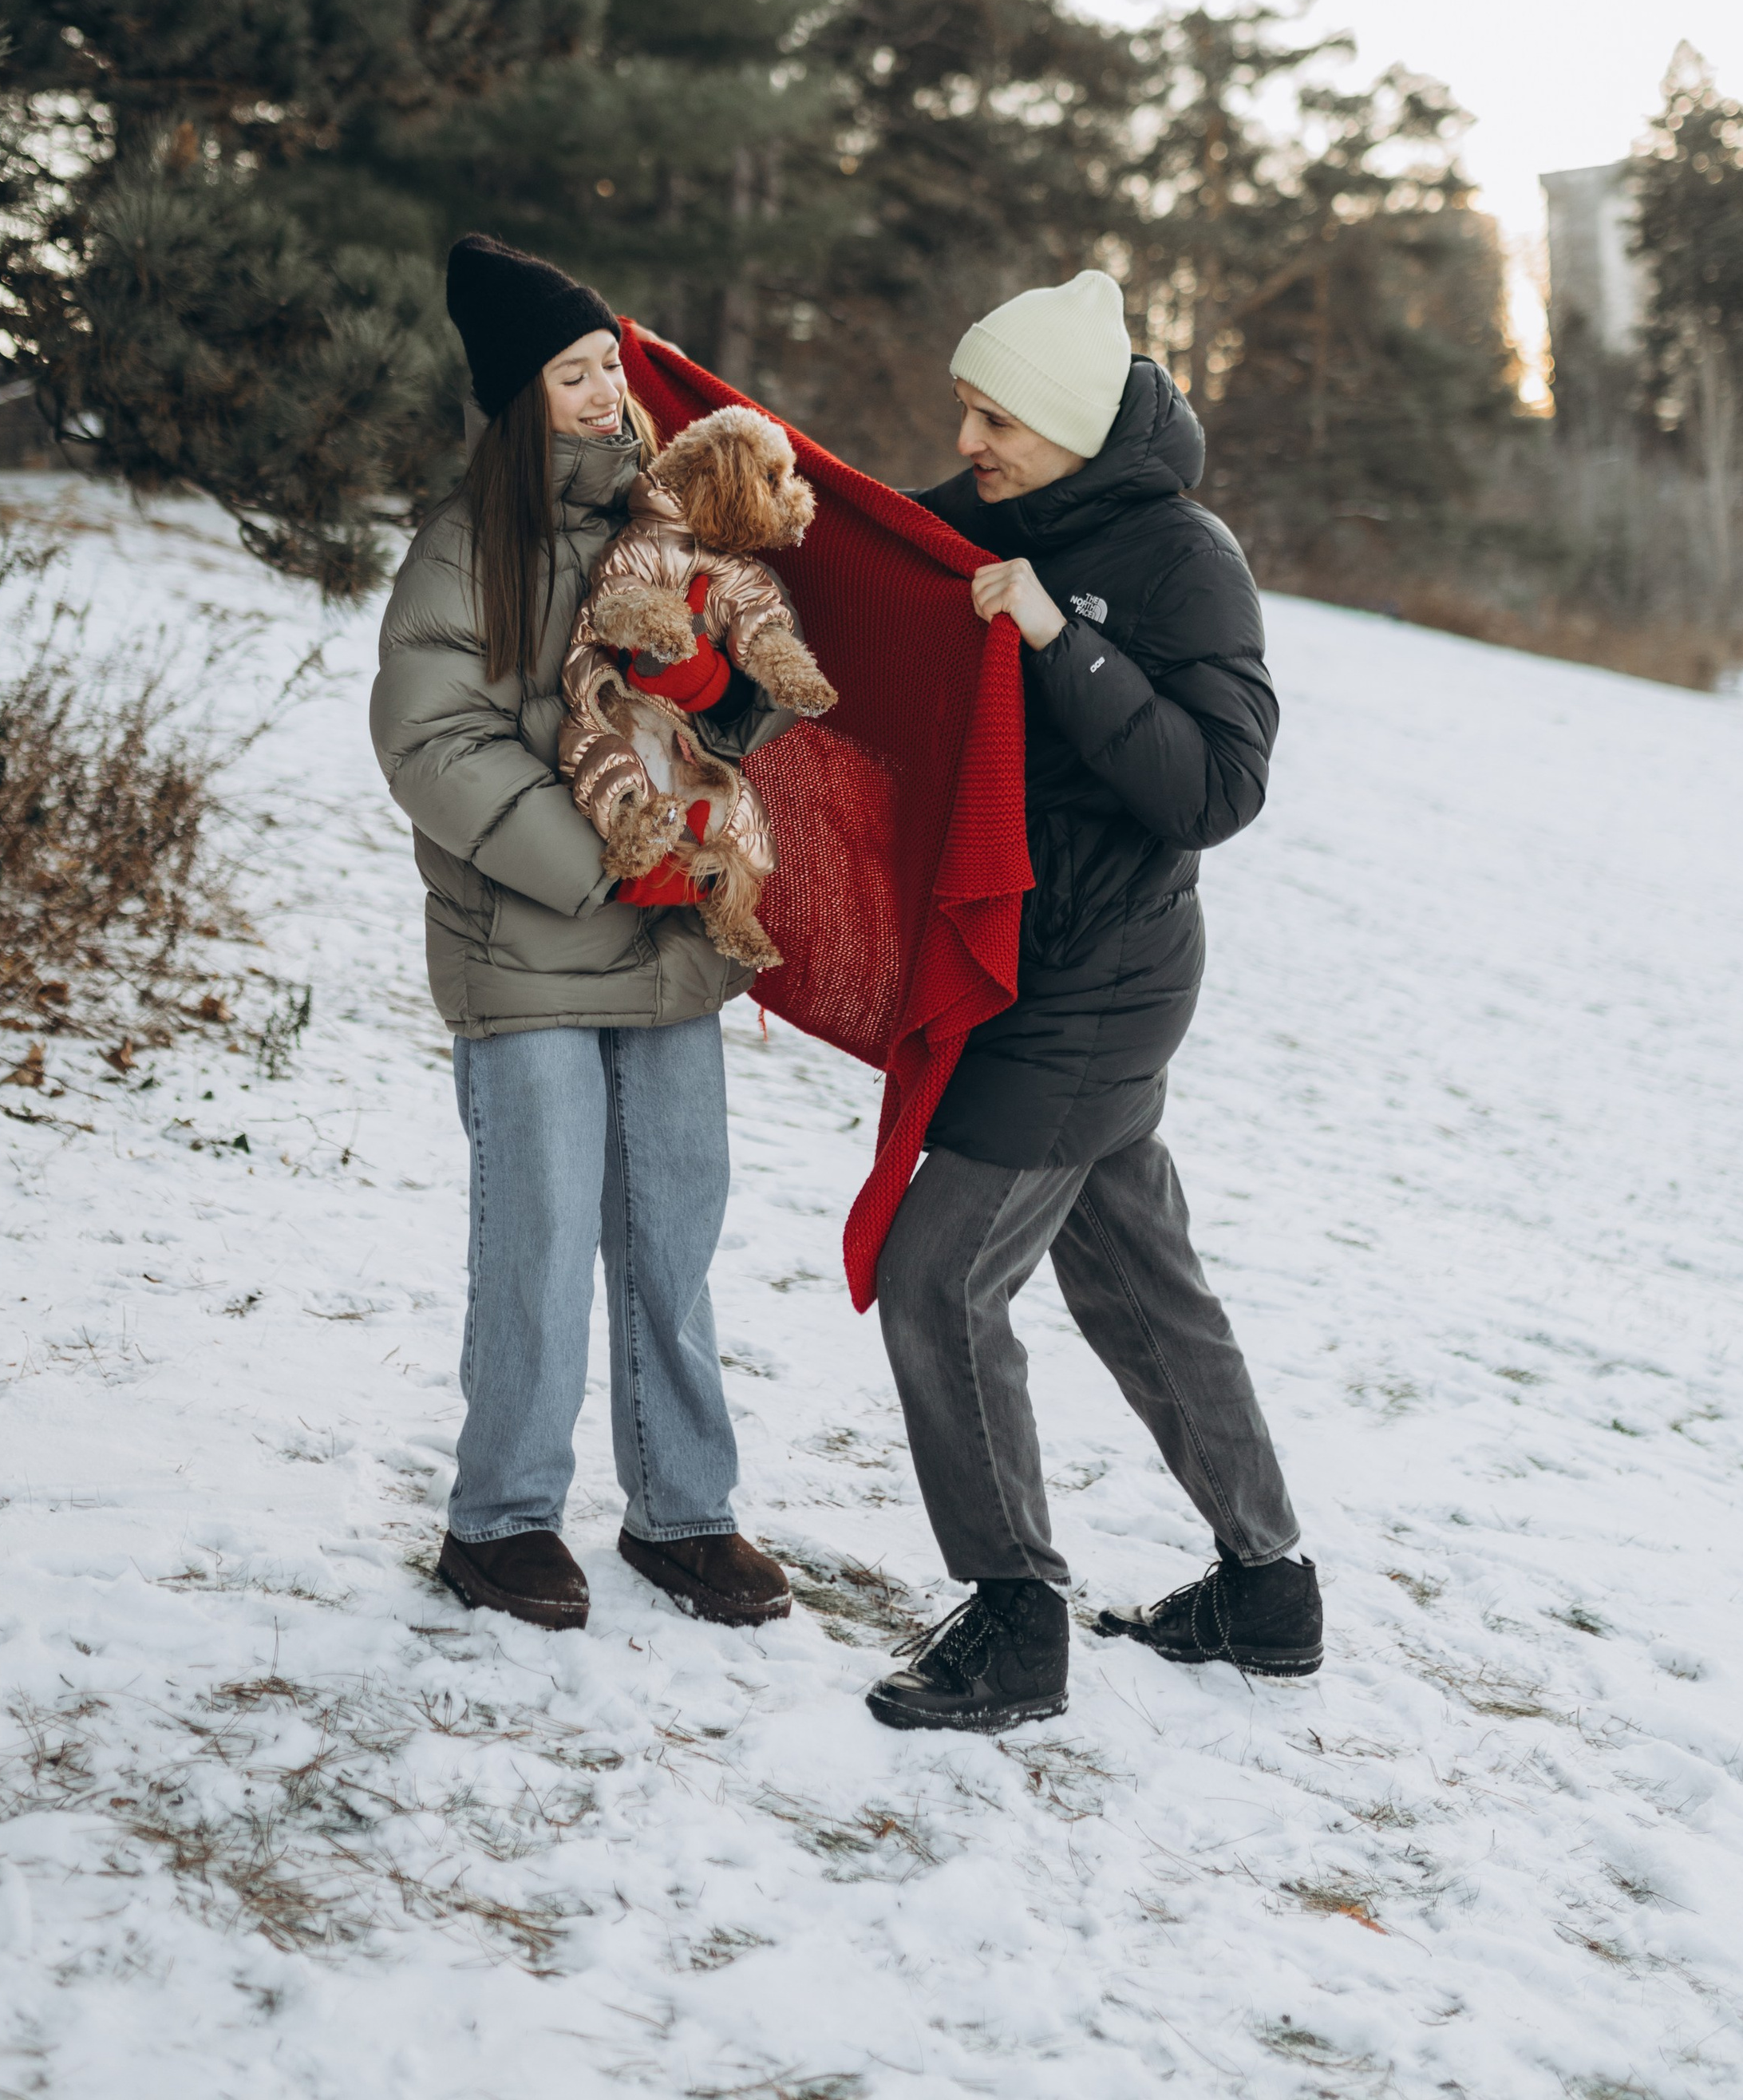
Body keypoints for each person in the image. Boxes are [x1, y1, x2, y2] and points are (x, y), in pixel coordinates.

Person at [865, 268, 1320, 1732]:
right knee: (1134, 1275)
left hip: (1102, 983)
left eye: (993, 415)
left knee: (942, 1278)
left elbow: (1218, 790)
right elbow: (863, 550)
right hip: (1021, 964)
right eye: (965, 412)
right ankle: (1268, 1592)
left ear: (1064, 423)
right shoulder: (1004, 509)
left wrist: (1069, 642)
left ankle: (1014, 1623)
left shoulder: (1188, 561)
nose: (970, 437)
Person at [370, 233, 796, 1635]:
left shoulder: (669, 524)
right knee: (541, 1239)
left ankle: (683, 1513)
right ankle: (500, 1522)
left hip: (672, 952)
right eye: (573, 372)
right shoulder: (461, 548)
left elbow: (741, 706)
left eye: (610, 361)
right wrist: (608, 865)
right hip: (533, 949)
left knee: (672, 1235)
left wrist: (717, 687)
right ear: (516, 400)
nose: (608, 391)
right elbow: (433, 739)